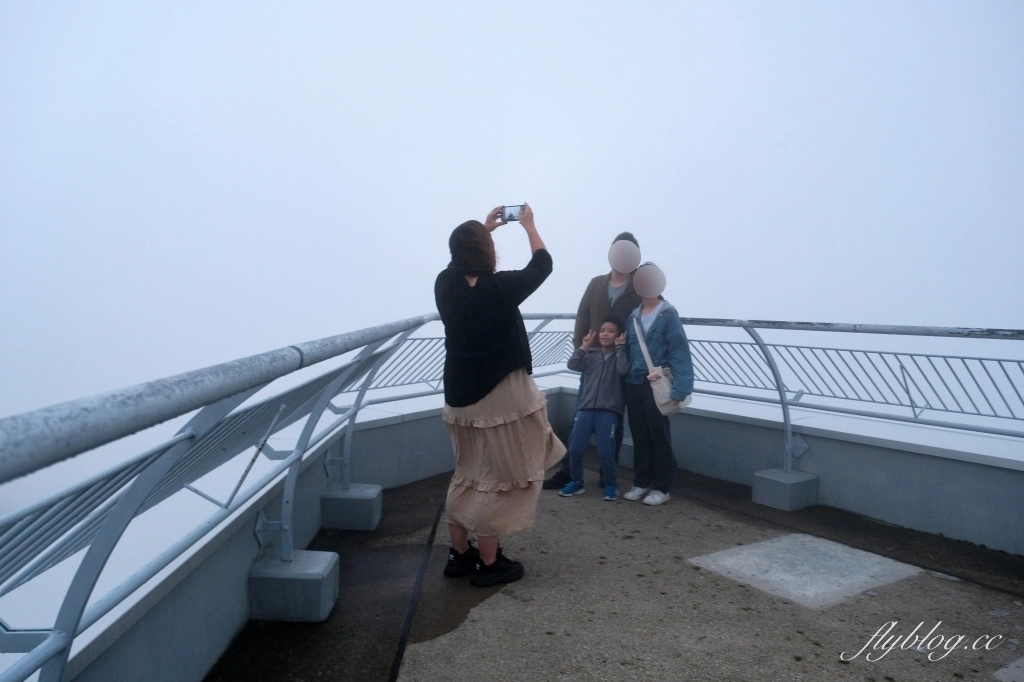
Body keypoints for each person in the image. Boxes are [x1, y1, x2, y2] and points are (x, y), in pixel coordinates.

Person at [434, 203, 566, 587]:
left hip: (459, 396)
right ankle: (489, 563)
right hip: (500, 397)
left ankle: (459, 555)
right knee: (500, 476)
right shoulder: (499, 288)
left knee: (468, 474)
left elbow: (459, 264)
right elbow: (542, 264)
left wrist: (484, 230)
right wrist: (528, 225)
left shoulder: (445, 285)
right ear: (486, 253)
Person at [543, 233, 642, 490]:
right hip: (593, 361)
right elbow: (583, 315)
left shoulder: (640, 288)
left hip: (621, 362)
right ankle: (569, 471)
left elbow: (653, 312)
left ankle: (606, 474)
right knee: (580, 417)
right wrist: (581, 348)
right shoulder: (596, 283)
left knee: (614, 421)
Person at [621, 262, 693, 506]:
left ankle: (662, 487)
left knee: (658, 435)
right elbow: (631, 353)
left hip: (656, 385)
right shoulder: (633, 316)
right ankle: (642, 482)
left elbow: (679, 351)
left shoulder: (667, 314)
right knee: (639, 435)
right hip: (633, 382)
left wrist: (681, 388)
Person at [558, 315, 630, 501]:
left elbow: (624, 370)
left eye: (611, 331)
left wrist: (621, 348)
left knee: (606, 452)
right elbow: (573, 364)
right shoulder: (591, 356)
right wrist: (584, 347)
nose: (605, 334)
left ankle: (611, 484)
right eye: (603, 330)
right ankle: (576, 482)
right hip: (585, 409)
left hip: (609, 412)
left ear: (619, 335)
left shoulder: (620, 355)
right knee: (575, 449)